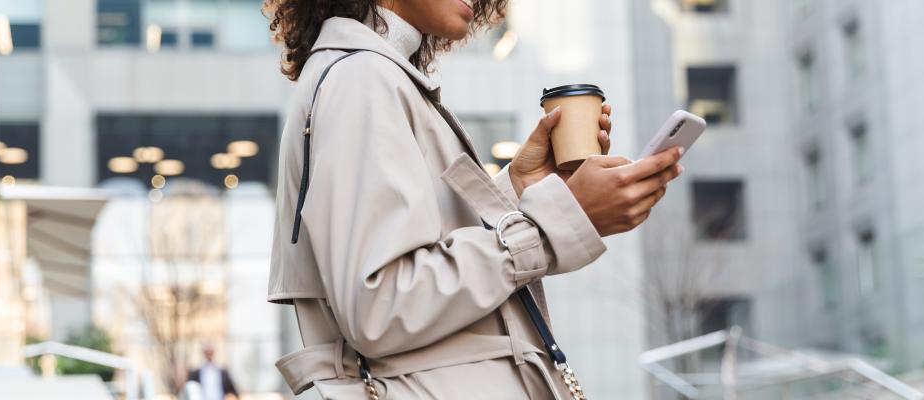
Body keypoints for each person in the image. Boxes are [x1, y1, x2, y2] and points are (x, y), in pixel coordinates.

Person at [263, 0, 685, 398]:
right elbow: (380, 303)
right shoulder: (362, 78)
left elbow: (424, 250)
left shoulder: (373, 75)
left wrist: (519, 186)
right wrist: (557, 222)